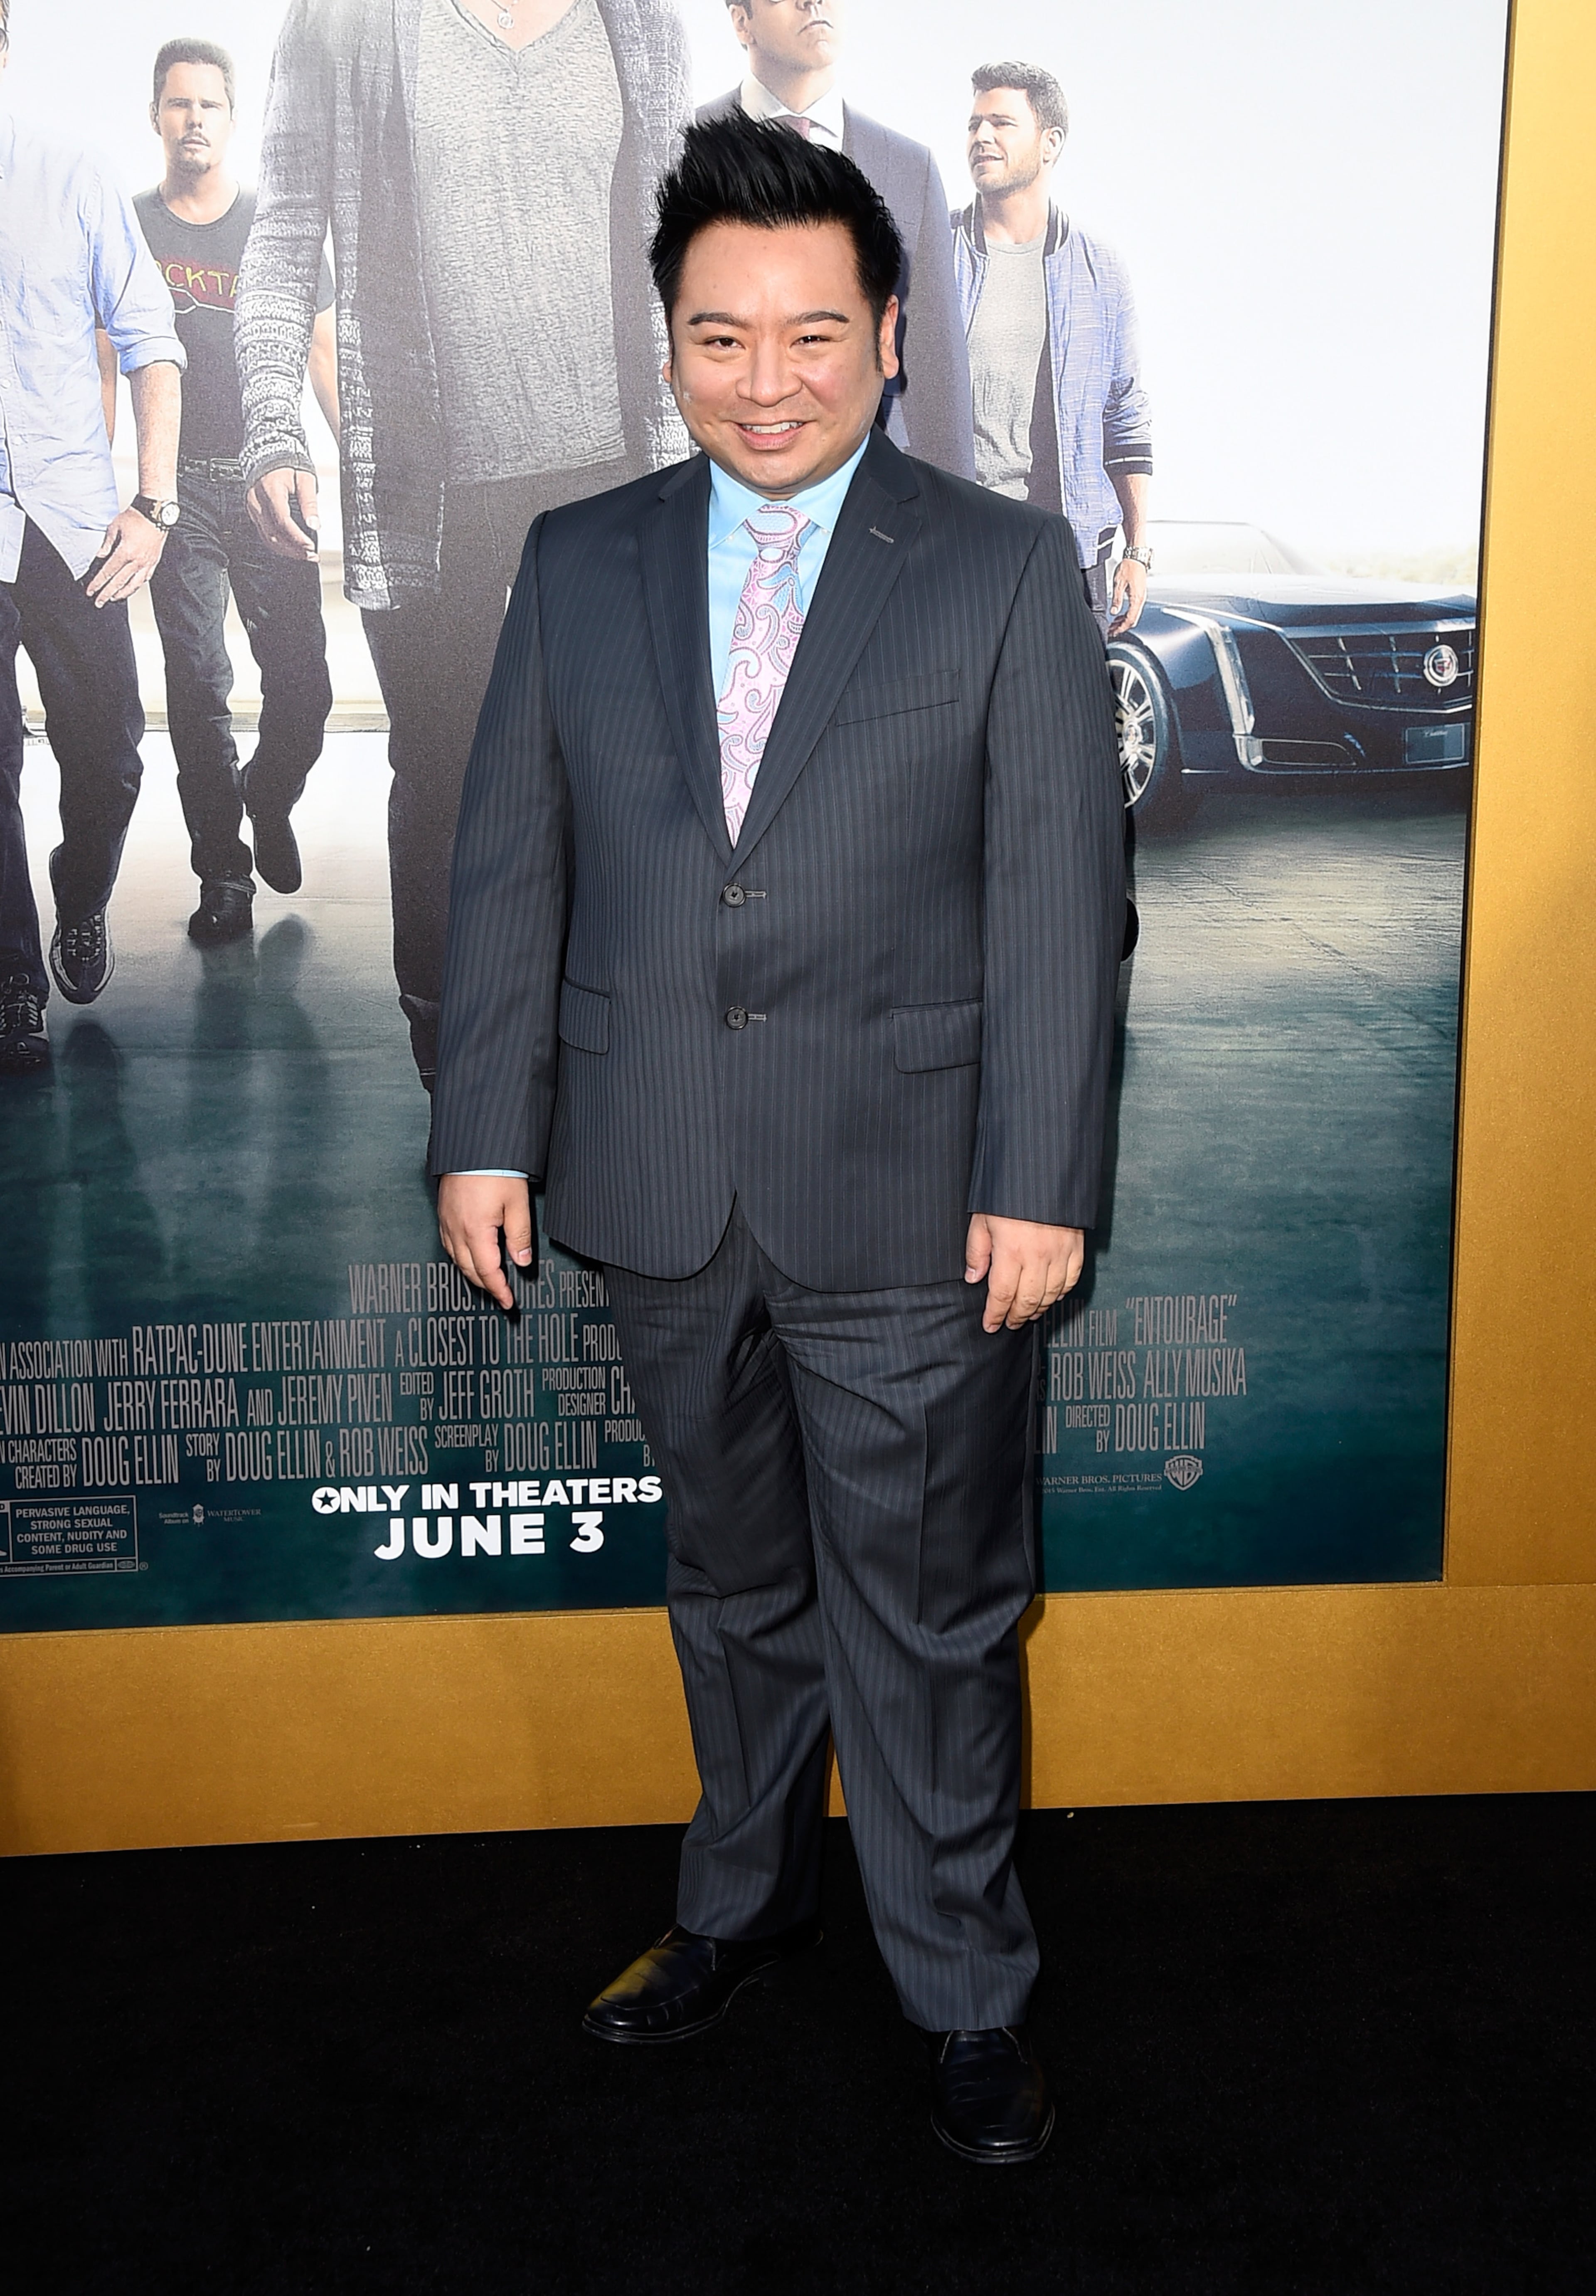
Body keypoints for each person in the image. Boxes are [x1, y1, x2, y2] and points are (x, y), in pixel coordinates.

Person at [430, 116, 1125, 2163]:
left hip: (917, 1195)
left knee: (927, 1607)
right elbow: (507, 874)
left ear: (889, 334)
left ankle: (966, 1994)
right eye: (721, 335)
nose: (767, 377)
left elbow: (1062, 903)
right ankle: (735, 1908)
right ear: (670, 342)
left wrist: (1041, 1178)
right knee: (731, 1585)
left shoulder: (1001, 568)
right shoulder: (580, 561)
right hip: (652, 1187)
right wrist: (489, 1131)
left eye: (813, 333)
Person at [236, 0, 690, 1088]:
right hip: (425, 490)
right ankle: (457, 1063)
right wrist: (269, 422)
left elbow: (686, 239)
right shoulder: (344, 22)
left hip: (617, 475)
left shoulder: (641, 22)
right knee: (443, 773)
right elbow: (287, 230)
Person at [0, 0, 185, 1077]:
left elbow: (150, 340)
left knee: (110, 758)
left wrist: (152, 506)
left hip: (75, 529)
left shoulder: (70, 172)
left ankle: (79, 893)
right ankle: (13, 984)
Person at [129, 39, 337, 950]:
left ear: (233, 118)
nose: (195, 119)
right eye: (179, 104)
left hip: (265, 488)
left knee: (306, 686)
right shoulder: (133, 225)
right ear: (157, 117)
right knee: (200, 685)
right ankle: (222, 869)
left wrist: (365, 476)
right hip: (179, 497)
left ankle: (272, 791)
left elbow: (325, 355)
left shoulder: (273, 228)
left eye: (210, 105)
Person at [699, 0, 973, 478]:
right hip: (721, 491)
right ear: (742, 20)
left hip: (877, 505)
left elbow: (938, 378)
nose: (815, 2)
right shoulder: (682, 151)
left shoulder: (911, 169)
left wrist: (960, 540)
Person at [954, 62, 1153, 636]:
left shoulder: (1100, 269)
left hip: (1070, 562)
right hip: (954, 556)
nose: (981, 137)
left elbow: (1126, 415)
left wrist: (1138, 551)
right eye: (973, 125)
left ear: (1050, 143)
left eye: (1001, 123)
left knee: (1064, 727)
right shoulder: (931, 256)